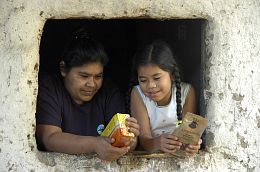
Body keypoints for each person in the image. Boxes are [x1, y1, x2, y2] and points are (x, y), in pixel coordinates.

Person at [35, 27, 139, 161]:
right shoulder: (49, 88)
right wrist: (95, 144)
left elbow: (129, 144)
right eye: (84, 76)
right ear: (63, 69)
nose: (92, 84)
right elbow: (49, 138)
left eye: (98, 76)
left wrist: (130, 139)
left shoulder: (109, 91)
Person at [129, 40, 201, 155]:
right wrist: (157, 143)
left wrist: (191, 145)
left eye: (157, 78)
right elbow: (144, 140)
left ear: (172, 75)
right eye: (143, 80)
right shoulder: (137, 93)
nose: (151, 85)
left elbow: (189, 135)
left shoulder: (187, 92)